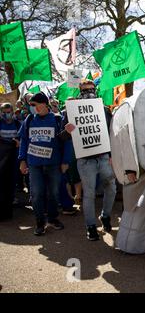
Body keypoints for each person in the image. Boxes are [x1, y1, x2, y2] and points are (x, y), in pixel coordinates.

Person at [63, 80, 117, 241]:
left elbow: (111, 133)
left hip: (104, 157)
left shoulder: (104, 110)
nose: (88, 93)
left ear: (96, 90)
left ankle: (105, 216)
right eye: (85, 90)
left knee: (112, 188)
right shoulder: (71, 111)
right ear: (79, 92)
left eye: (91, 90)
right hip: (85, 161)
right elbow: (62, 137)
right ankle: (91, 226)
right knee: (89, 194)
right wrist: (67, 131)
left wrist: (112, 156)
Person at [18, 92, 71, 235]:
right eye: (30, 105)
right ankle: (40, 222)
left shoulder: (57, 119)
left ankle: (53, 218)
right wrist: (22, 160)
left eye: (34, 105)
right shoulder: (29, 120)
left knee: (53, 194)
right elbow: (24, 141)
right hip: (34, 165)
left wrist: (65, 161)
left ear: (44, 104)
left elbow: (66, 141)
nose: (32, 108)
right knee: (36, 194)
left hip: (53, 164)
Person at [0, 103, 21, 220]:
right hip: (1, 159)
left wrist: (18, 143)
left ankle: (9, 206)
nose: (7, 115)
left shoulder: (18, 124)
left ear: (12, 112)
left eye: (9, 112)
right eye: (4, 112)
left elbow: (22, 140)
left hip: (14, 159)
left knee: (11, 181)